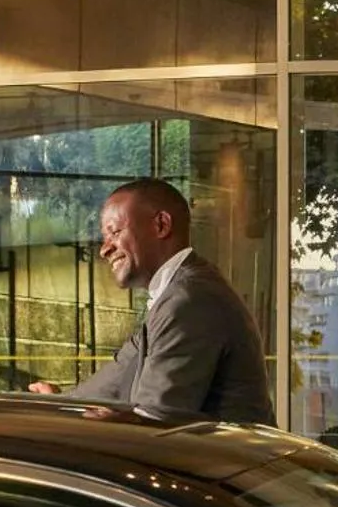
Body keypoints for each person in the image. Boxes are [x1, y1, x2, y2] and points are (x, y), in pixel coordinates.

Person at [27, 179, 274, 425]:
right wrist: (60, 403)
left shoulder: (188, 300)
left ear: (161, 225)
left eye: (115, 232)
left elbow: (154, 422)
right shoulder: (177, 294)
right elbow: (117, 376)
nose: (104, 250)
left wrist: (118, 421)